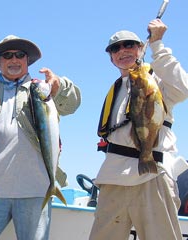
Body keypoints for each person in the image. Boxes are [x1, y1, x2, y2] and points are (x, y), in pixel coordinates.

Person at [0, 35, 81, 239]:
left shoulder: (41, 89)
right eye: (7, 55)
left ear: (27, 60)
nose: (14, 59)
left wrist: (60, 86)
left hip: (37, 191)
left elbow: (72, 104)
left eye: (20, 55)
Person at [89, 19, 188, 240]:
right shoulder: (114, 90)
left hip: (152, 177)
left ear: (141, 48)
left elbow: (183, 89)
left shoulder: (156, 80)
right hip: (113, 177)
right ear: (111, 58)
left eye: (129, 45)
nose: (122, 51)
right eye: (115, 48)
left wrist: (158, 45)